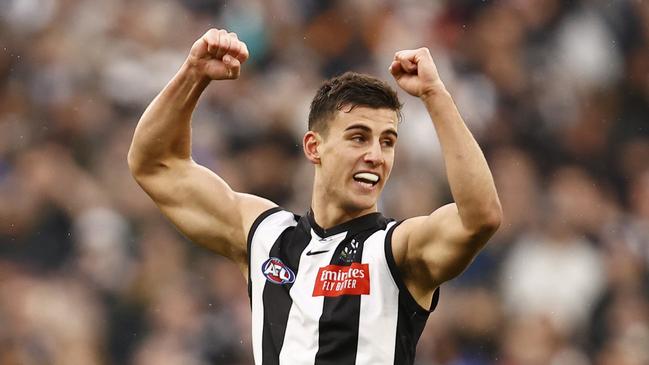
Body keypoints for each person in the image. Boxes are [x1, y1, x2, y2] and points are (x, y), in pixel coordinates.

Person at [128, 28, 502, 365]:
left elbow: (480, 217)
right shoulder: (266, 236)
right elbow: (154, 164)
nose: (376, 155)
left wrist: (435, 96)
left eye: (387, 142)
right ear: (313, 147)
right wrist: (194, 75)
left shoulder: (397, 251)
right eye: (358, 137)